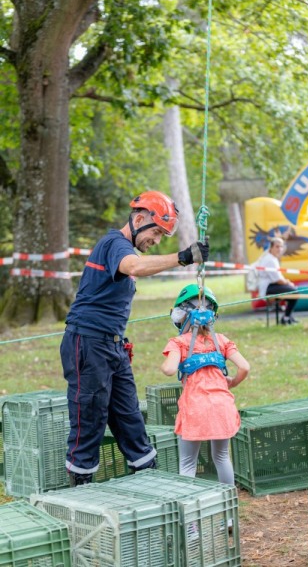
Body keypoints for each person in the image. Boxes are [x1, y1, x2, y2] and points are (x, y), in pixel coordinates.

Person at [60, 191, 209, 486]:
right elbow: (135, 267)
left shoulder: (125, 249)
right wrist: (183, 258)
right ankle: (81, 486)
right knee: (89, 415)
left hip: (113, 346)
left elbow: (138, 266)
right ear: (139, 219)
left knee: (129, 415)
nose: (156, 240)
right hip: (88, 343)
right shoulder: (115, 244)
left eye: (162, 236)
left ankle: (146, 476)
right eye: (155, 232)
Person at [161, 284, 250, 485]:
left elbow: (169, 369)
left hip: (195, 409)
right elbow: (244, 366)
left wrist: (167, 363)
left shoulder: (178, 342)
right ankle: (229, 513)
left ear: (181, 314)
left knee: (188, 463)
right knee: (221, 457)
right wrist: (232, 382)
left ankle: (191, 515)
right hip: (222, 406)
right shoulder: (221, 340)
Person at [257, 237, 298, 324]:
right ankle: (286, 318)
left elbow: (279, 277)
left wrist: (287, 282)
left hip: (272, 285)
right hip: (269, 287)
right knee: (295, 293)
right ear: (271, 247)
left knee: (292, 292)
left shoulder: (272, 258)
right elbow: (278, 280)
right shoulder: (270, 260)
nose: (279, 249)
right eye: (277, 246)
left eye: (281, 247)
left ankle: (288, 316)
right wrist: (289, 283)